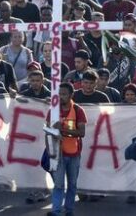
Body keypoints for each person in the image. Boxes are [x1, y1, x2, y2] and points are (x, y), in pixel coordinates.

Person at [51, 82, 87, 216]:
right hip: (58, 154)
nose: (61, 97)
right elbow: (47, 131)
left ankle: (69, 210)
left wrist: (63, 129)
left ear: (71, 95)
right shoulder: (52, 110)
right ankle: (56, 211)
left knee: (72, 184)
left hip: (74, 154)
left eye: (64, 94)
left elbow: (82, 133)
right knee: (59, 185)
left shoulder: (78, 110)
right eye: (59, 94)